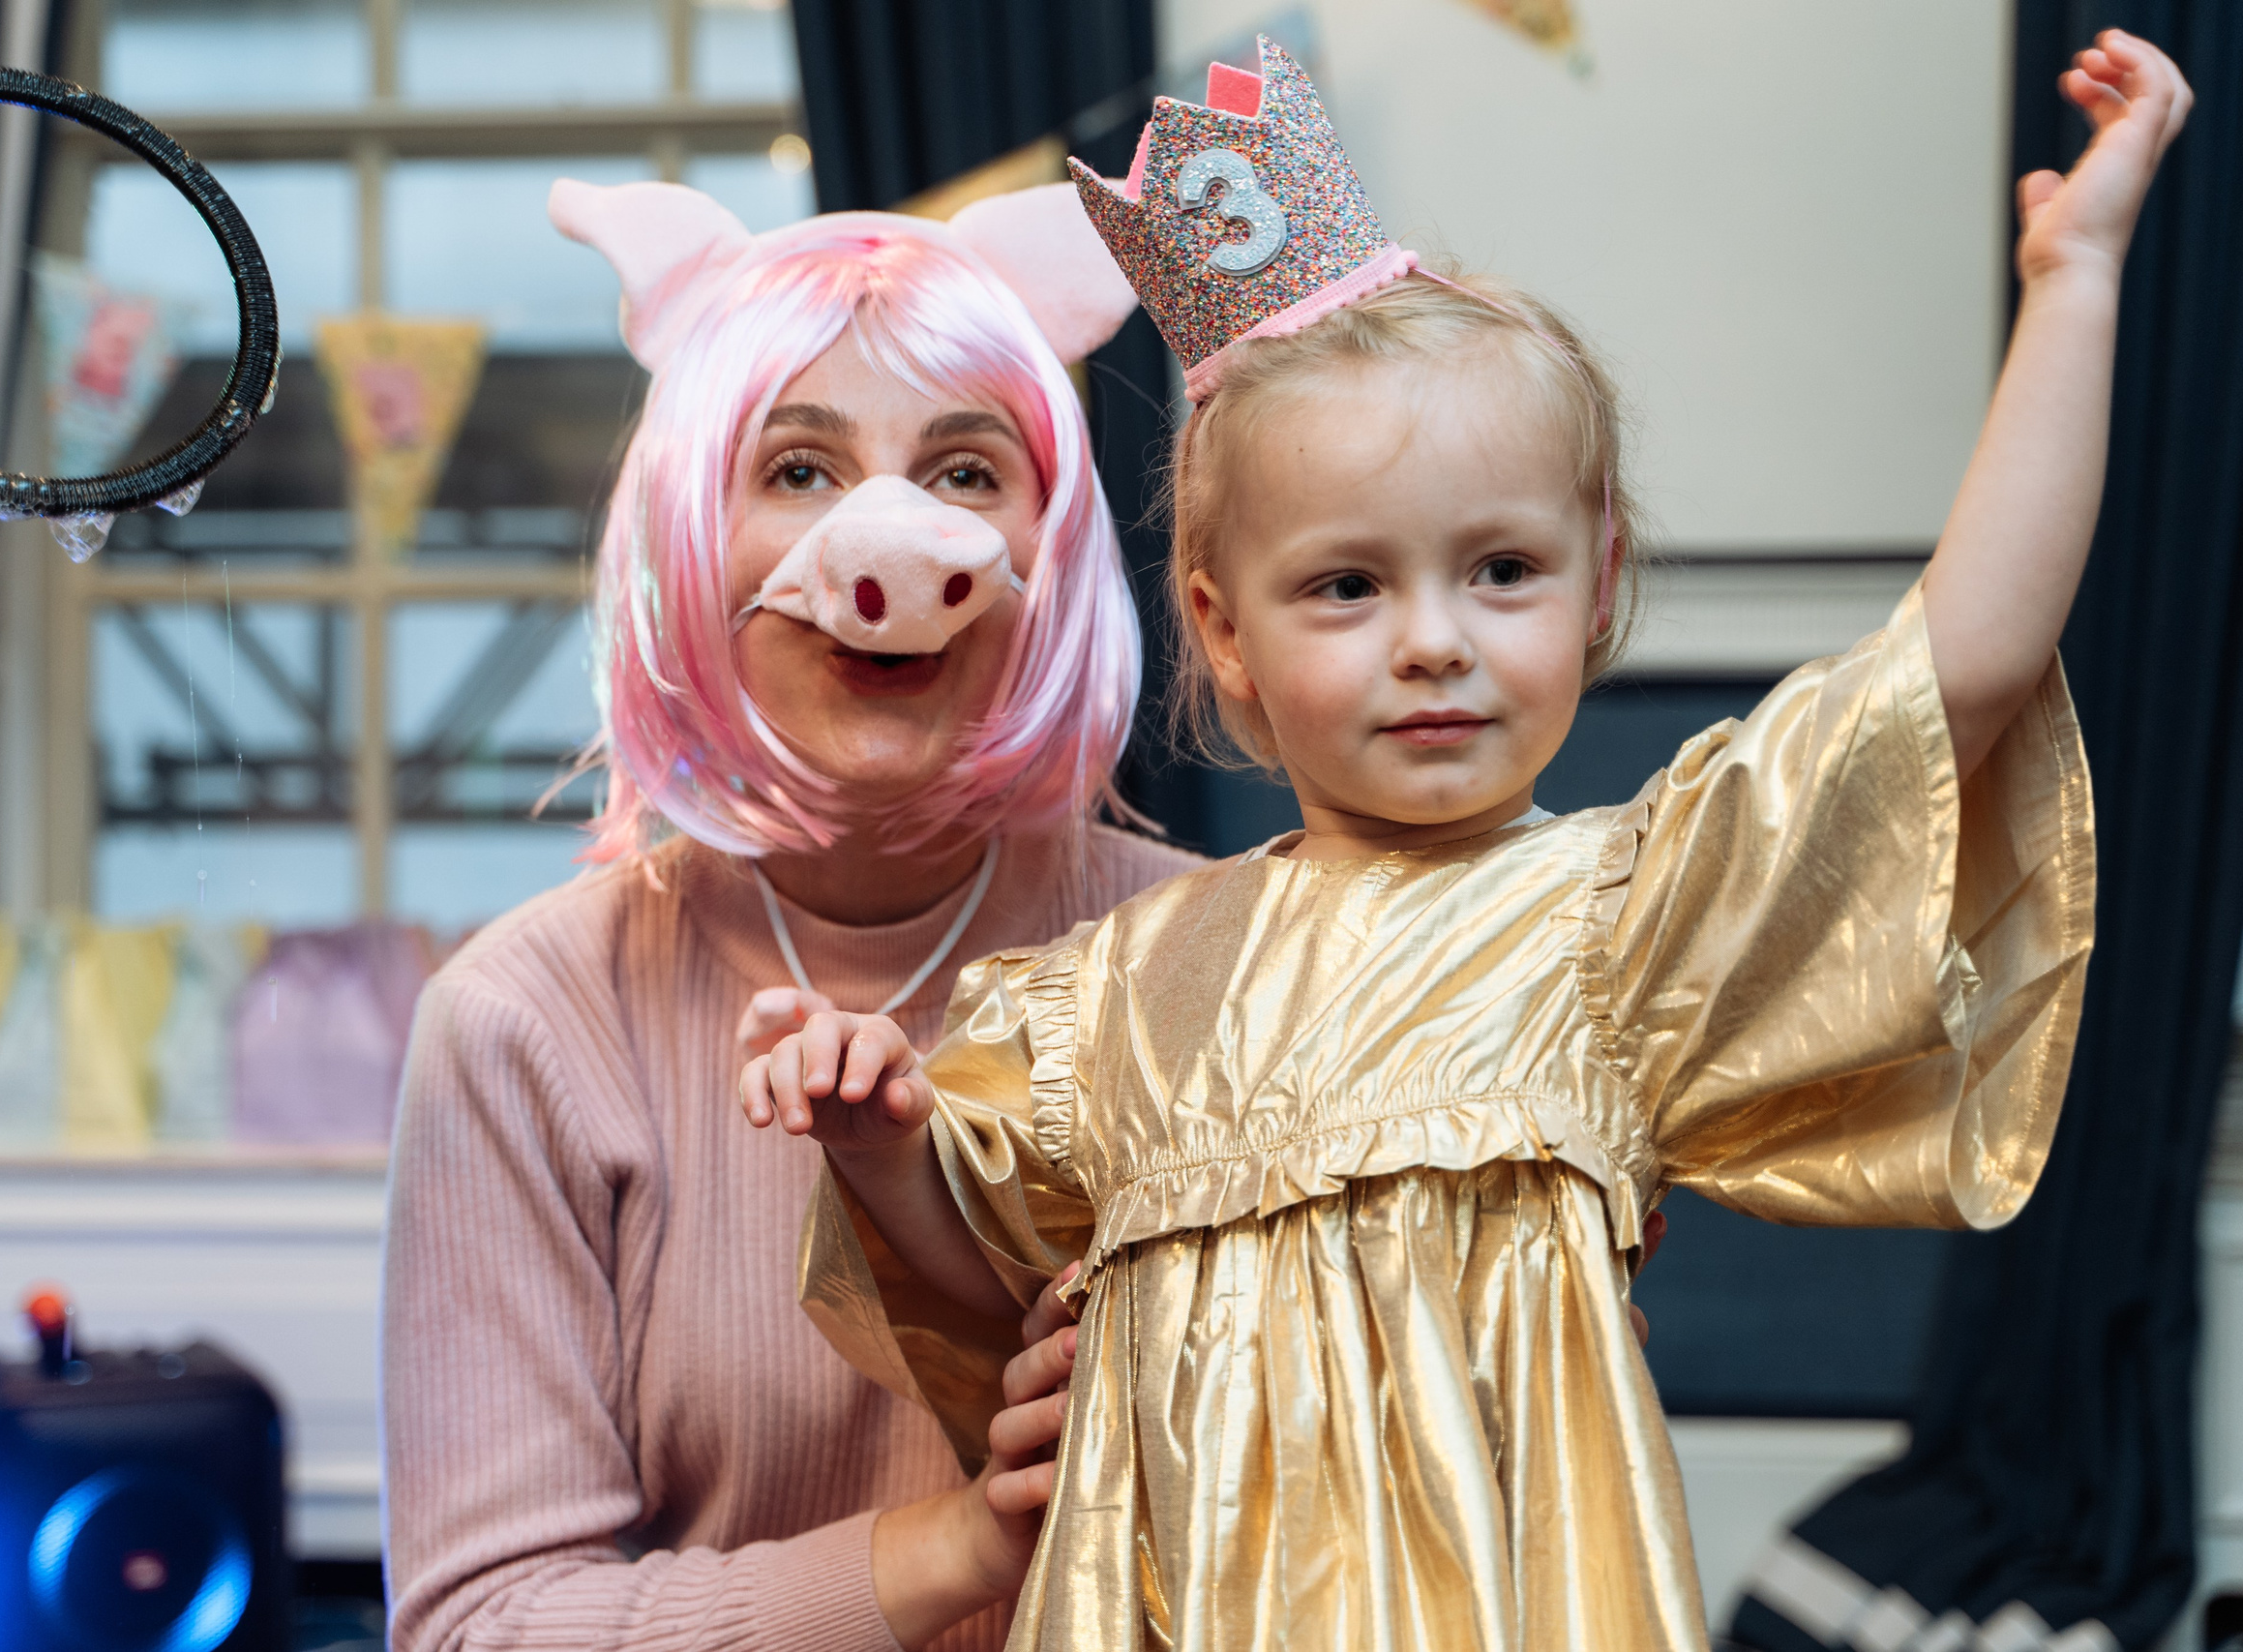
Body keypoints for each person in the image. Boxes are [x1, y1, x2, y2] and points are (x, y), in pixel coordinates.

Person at [743, 31, 2185, 1649]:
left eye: (1502, 570)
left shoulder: (1631, 914)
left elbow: (1963, 665)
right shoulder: (1104, 998)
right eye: (1348, 586)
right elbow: (978, 1284)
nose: (1435, 641)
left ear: (1598, 580)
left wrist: (2077, 279)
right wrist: (878, 1138)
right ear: (1223, 630)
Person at [380, 180, 1196, 1652]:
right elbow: (480, 1627)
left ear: (1054, 537)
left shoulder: (1215, 961)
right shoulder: (523, 1026)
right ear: (689, 532)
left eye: (964, 470)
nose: (890, 536)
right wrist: (963, 1546)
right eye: (800, 469)